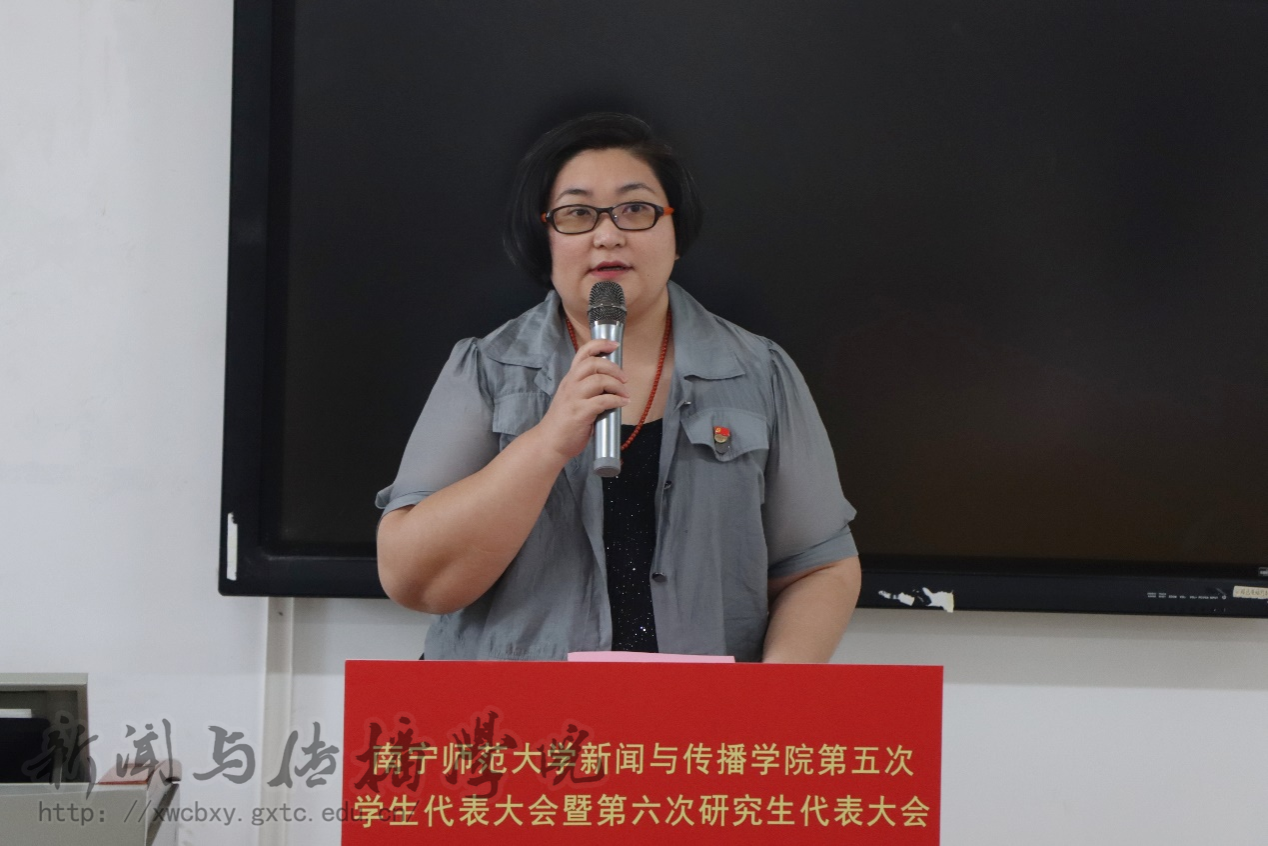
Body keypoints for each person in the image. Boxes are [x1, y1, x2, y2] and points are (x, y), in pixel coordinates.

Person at [376, 113, 860, 662]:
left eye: (635, 209)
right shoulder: (488, 369)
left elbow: (819, 567)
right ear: (545, 238)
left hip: (694, 713)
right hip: (510, 712)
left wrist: (768, 699)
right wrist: (547, 443)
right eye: (577, 213)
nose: (608, 235)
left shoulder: (758, 371)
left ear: (675, 231)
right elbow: (413, 580)